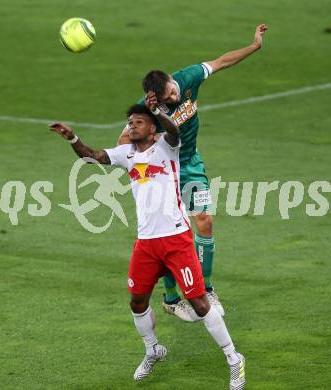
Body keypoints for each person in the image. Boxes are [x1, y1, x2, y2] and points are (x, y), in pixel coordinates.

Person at [49, 96, 246, 389]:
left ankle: (234, 359)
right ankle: (153, 349)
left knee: (199, 301)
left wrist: (155, 110)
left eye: (138, 122)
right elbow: (91, 155)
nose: (131, 126)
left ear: (152, 128)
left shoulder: (168, 146)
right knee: (137, 300)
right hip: (146, 243)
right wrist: (72, 138)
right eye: (130, 122)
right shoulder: (125, 154)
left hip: (177, 239)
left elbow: (176, 131)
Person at [118, 24, 268, 321]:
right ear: (154, 100)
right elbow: (123, 142)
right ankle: (172, 299)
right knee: (169, 235)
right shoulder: (145, 111)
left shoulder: (187, 78)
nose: (173, 98)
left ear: (174, 81)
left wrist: (254, 46)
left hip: (191, 163)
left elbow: (222, 62)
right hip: (164, 174)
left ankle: (207, 288)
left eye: (173, 93)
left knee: (205, 221)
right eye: (167, 99)